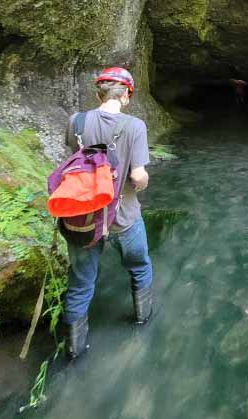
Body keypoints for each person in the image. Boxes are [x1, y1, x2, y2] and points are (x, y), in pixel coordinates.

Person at [62, 67, 153, 359]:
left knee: (79, 282)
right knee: (139, 266)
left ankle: (74, 350)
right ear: (127, 95)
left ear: (98, 94)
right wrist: (138, 186)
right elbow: (138, 176)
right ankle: (143, 319)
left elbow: (75, 163)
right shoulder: (134, 126)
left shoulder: (76, 122)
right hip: (123, 217)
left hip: (82, 218)